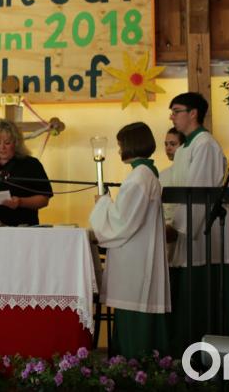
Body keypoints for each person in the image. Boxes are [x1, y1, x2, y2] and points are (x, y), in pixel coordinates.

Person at [89, 122, 171, 358]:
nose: (118, 150)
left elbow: (122, 222)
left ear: (131, 145)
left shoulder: (138, 177)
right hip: (139, 255)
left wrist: (103, 203)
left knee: (134, 312)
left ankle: (134, 366)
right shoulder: (144, 174)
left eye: (121, 144)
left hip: (135, 260)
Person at [166, 92, 229, 353]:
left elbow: (199, 192)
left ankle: (204, 358)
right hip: (189, 233)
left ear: (193, 113)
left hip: (202, 237)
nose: (172, 115)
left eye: (176, 110)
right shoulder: (186, 146)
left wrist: (177, 228)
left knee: (203, 302)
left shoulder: (205, 145)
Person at [159, 128, 186, 263]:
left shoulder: (190, 173)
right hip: (164, 233)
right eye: (166, 144)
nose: (168, 148)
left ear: (183, 146)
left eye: (172, 144)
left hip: (183, 232)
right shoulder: (162, 174)